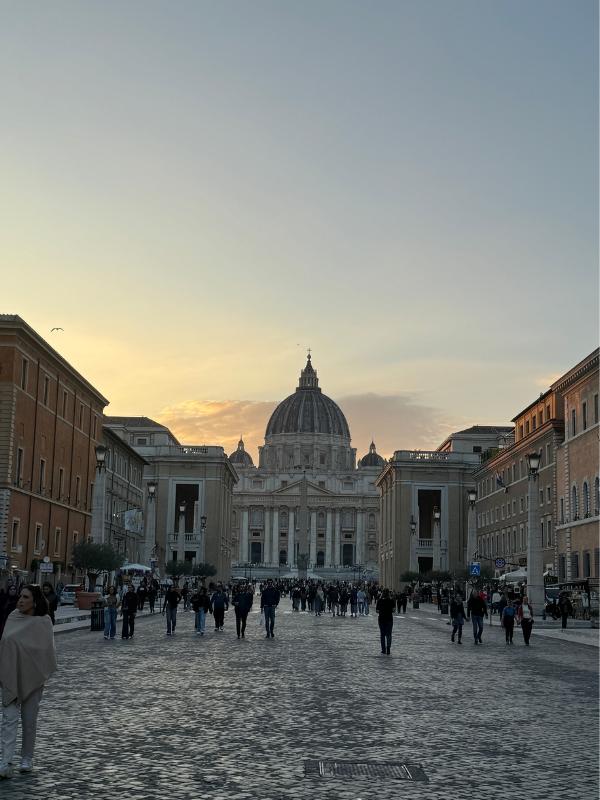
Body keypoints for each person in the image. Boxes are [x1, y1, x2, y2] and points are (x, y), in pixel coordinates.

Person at [0, 585, 57, 777]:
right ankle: (6, 761)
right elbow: (6, 643)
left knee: (29, 721)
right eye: (20, 597)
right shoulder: (13, 617)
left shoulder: (44, 622)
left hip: (33, 676)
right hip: (10, 675)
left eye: (25, 597)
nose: (20, 600)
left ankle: (27, 758)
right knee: (9, 720)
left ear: (35, 601)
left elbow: (45, 650)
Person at [376, 588, 395, 655]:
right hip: (389, 619)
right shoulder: (391, 600)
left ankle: (383, 649)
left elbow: (377, 611)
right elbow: (394, 610)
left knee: (382, 634)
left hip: (381, 619)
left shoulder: (380, 600)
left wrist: (382, 610)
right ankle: (388, 649)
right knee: (389, 634)